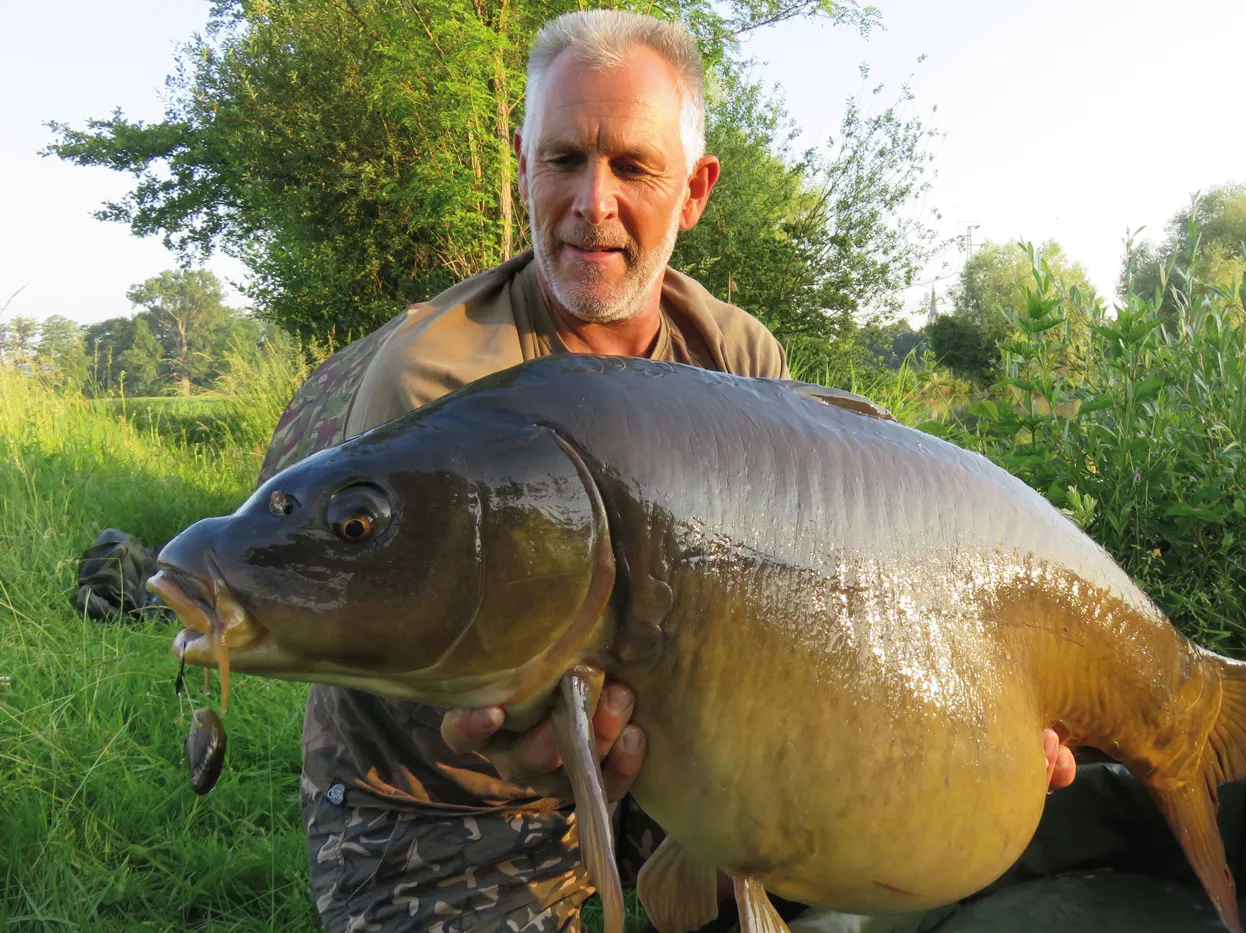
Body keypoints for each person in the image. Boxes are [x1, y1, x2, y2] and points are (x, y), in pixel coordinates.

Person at [245, 11, 1077, 933]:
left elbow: (827, 611)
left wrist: (981, 722)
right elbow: (443, 700)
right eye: (564, 159)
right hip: (450, 801)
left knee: (851, 833)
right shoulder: (437, 387)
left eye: (633, 167)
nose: (592, 202)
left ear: (694, 191)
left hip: (676, 754)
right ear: (522, 163)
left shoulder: (739, 361)